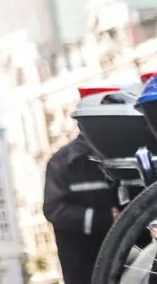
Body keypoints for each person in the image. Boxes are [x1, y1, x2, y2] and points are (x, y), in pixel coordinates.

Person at [43, 94, 119, 284]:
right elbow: (54, 209)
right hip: (84, 265)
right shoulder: (64, 163)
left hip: (127, 257)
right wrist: (104, 218)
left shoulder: (121, 153)